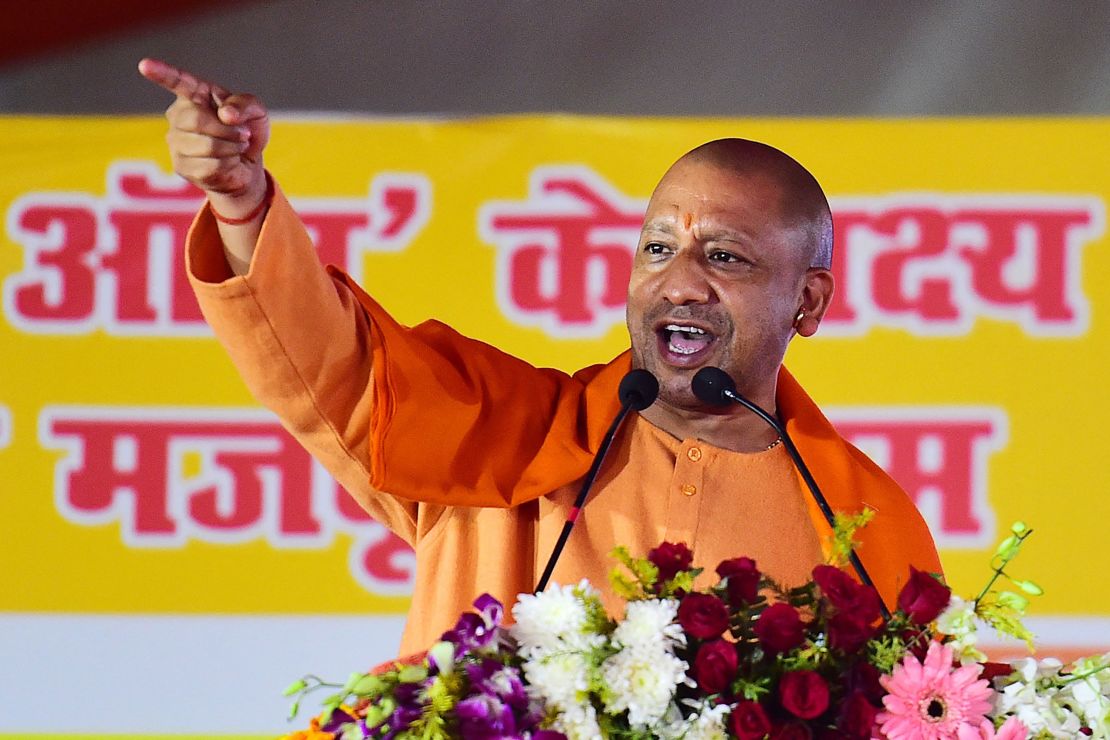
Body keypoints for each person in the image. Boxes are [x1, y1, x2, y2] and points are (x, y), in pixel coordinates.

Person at [139, 59, 941, 656]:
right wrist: (240, 203)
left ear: (808, 303)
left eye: (725, 258)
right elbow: (331, 365)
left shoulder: (864, 529)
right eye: (657, 247)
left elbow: (934, 705)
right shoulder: (499, 437)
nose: (679, 283)